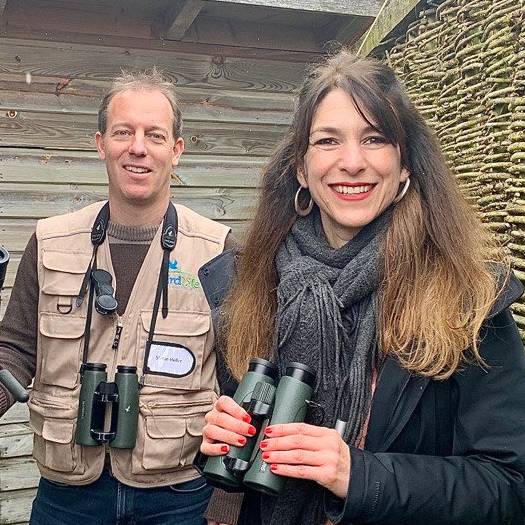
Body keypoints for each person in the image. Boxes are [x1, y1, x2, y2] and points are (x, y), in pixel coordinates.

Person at [199, 50, 525, 525]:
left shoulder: (469, 298)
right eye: (328, 141)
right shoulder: (247, 285)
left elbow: (509, 485)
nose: (352, 162)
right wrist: (222, 436)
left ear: (406, 165)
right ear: (300, 168)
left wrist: (362, 475)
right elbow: (238, 473)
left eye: (375, 139)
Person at [0, 69, 234, 525]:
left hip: (182, 497)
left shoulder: (219, 251)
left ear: (177, 150)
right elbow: (14, 350)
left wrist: (228, 502)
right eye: (123, 132)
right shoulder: (49, 243)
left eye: (155, 135)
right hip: (66, 496)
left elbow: (243, 382)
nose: (138, 148)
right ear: (100, 143)